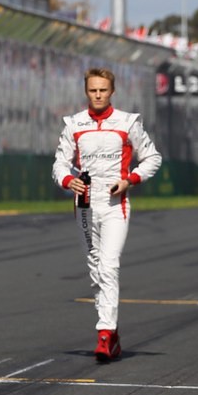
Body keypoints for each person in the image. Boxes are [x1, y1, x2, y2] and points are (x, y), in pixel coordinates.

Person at [52, 67, 161, 362]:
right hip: (84, 207)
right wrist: (67, 180)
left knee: (109, 265)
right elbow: (59, 164)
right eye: (92, 90)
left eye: (102, 90)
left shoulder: (128, 122)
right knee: (96, 268)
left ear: (112, 91)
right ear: (86, 91)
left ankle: (104, 331)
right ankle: (111, 339)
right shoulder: (73, 124)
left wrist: (130, 180)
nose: (98, 95)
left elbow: (152, 157)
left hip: (116, 206)